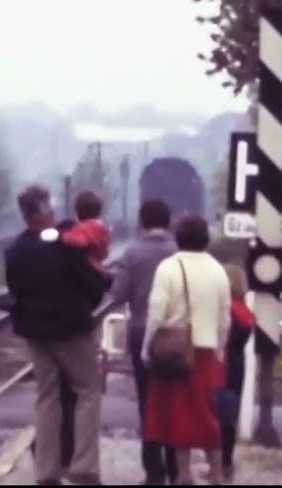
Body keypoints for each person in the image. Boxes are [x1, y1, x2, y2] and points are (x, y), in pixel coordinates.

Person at [4, 185, 109, 485]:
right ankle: (84, 466)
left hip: (35, 333)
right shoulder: (64, 246)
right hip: (71, 331)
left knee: (46, 397)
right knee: (88, 390)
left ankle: (46, 472)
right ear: (46, 210)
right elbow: (92, 285)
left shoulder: (15, 250)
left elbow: (15, 290)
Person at [141, 215, 231, 485]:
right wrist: (220, 348)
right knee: (206, 413)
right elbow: (224, 316)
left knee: (176, 414)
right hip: (205, 352)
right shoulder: (218, 270)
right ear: (206, 238)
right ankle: (216, 471)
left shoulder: (168, 267)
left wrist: (147, 347)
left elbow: (156, 313)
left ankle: (184, 473)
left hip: (174, 352)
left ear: (178, 237)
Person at [106, 199, 179, 485]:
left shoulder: (131, 254)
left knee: (148, 401)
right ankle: (176, 466)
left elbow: (118, 295)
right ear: (168, 221)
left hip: (140, 332)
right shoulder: (178, 253)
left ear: (141, 222)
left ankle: (153, 471)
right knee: (174, 400)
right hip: (175, 334)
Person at [217, 265, 254, 483]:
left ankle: (219, 464)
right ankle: (227, 463)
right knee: (230, 415)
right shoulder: (246, 313)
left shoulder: (226, 310)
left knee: (218, 413)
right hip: (238, 365)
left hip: (222, 364)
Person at [61, 191, 112, 272]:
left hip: (86, 270)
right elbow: (104, 253)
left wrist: (62, 236)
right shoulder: (102, 228)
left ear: (78, 211)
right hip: (99, 268)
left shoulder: (83, 228)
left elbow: (77, 241)